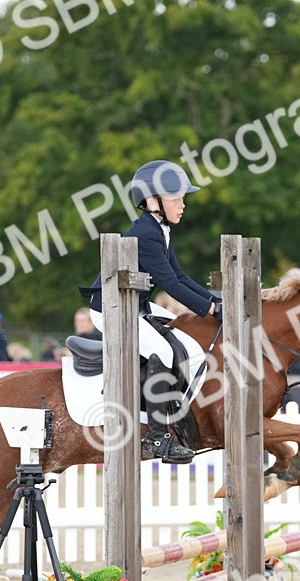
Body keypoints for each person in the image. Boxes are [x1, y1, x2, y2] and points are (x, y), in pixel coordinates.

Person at [83, 160, 222, 464]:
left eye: (182, 199)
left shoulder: (159, 230)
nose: (183, 205)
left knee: (178, 337)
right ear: (151, 202)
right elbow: (170, 283)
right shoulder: (146, 234)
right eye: (176, 199)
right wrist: (209, 308)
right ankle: (157, 438)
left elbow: (182, 276)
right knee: (164, 351)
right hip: (111, 308)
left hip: (134, 303)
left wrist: (214, 302)